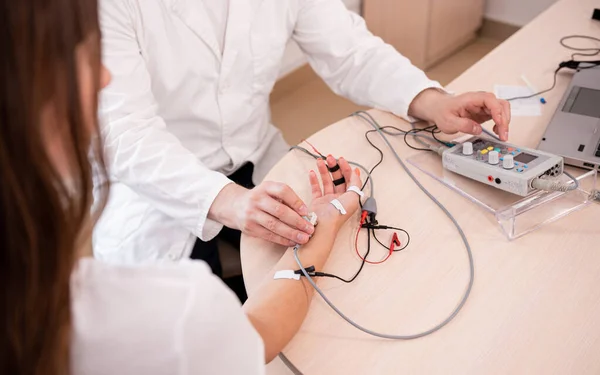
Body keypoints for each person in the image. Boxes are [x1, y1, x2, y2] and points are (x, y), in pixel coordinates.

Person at [0, 0, 363, 373]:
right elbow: (251, 338)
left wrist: (425, 96)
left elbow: (353, 50)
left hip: (254, 158)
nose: (104, 77)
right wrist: (324, 226)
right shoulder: (166, 314)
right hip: (152, 199)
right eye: (85, 56)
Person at [95, 0, 512, 280]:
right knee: (190, 338)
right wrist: (226, 200)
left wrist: (433, 100)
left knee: (337, 281)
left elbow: (349, 51)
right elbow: (124, 129)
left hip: (258, 158)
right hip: (157, 192)